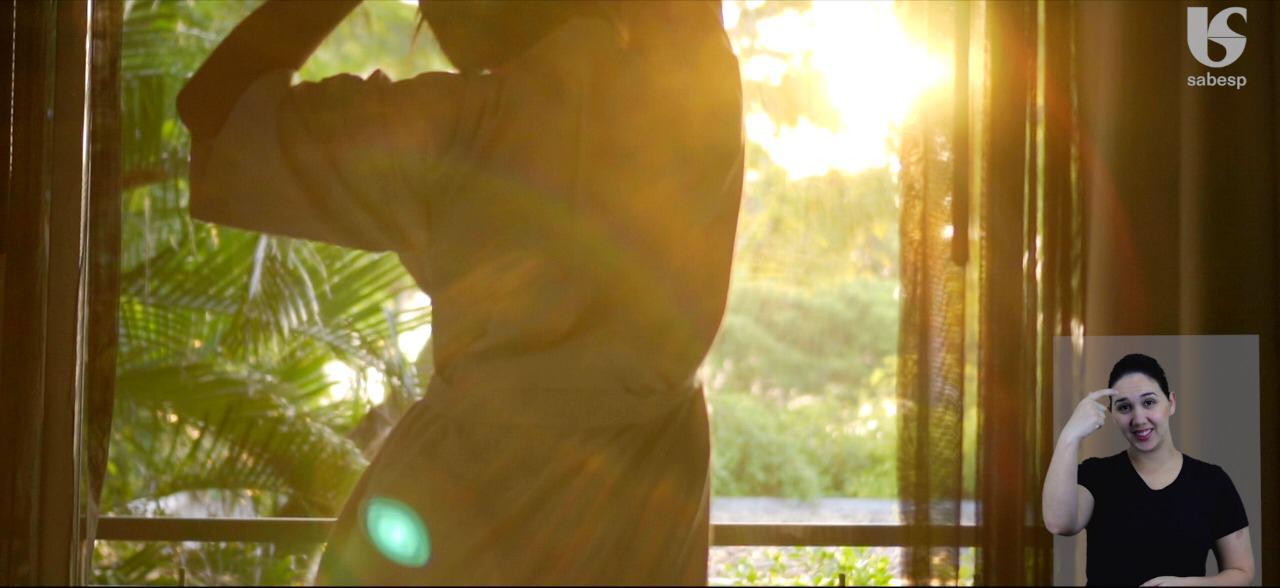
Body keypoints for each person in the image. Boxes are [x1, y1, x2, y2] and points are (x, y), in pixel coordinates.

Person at [176, 0, 743, 584]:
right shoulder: (698, 99)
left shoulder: (444, 129)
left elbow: (215, 111)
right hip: (645, 496)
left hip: (457, 500)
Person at [1042, 353, 1255, 586]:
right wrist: (1070, 435)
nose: (1138, 419)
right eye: (1124, 407)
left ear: (1171, 403)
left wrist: (1187, 585)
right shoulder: (1097, 475)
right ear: (1112, 415)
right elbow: (1059, 523)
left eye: (1149, 402)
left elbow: (1241, 572)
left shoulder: (1212, 482)